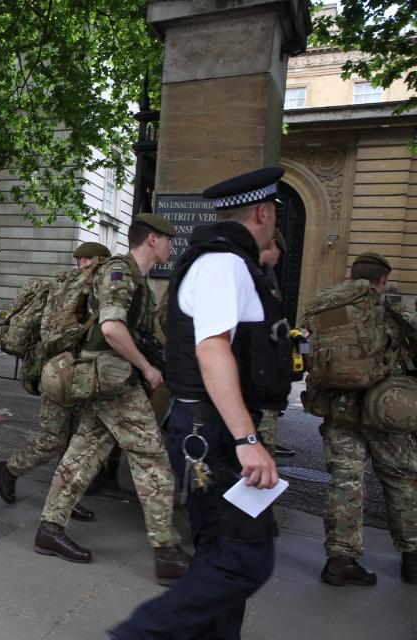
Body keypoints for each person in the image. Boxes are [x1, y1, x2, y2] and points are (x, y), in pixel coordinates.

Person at [109, 167, 291, 640]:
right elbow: (211, 350)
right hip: (210, 435)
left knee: (220, 555)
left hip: (208, 431)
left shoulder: (230, 261)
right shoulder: (223, 262)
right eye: (275, 215)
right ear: (263, 211)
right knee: (243, 561)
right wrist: (247, 439)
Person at [33, 215, 190, 586]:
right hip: (112, 380)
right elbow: (111, 328)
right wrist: (147, 369)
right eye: (169, 239)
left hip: (106, 380)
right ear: (152, 239)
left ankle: (49, 529)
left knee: (84, 452)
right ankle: (166, 550)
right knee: (151, 456)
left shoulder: (139, 279)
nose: (172, 246)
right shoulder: (120, 272)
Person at [313, 252, 417, 587]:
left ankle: (341, 560)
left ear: (351, 277)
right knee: (401, 480)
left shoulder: (328, 308)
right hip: (385, 412)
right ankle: (413, 557)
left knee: (346, 481)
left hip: (340, 410)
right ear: (384, 280)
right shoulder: (391, 311)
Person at [0, 241, 111, 522]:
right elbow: (52, 336)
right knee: (54, 438)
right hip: (59, 374)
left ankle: (67, 497)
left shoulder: (88, 290)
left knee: (75, 440)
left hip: (80, 374)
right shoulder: (69, 289)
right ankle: (10, 469)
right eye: (101, 263)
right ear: (92, 262)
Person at [257, 228, 296, 457]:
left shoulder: (265, 276)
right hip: (256, 391)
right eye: (279, 253)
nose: (278, 260)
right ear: (272, 245)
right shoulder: (252, 274)